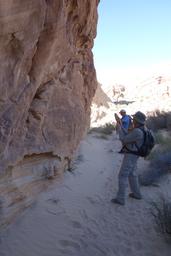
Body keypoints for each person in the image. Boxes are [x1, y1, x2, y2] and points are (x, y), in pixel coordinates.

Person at [111, 111, 146, 205]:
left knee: (122, 175)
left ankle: (120, 199)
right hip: (135, 154)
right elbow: (129, 135)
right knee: (132, 174)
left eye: (134, 119)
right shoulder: (142, 129)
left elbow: (124, 139)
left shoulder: (137, 131)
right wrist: (121, 125)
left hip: (131, 155)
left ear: (137, 121)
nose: (132, 120)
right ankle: (137, 194)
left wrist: (119, 128)